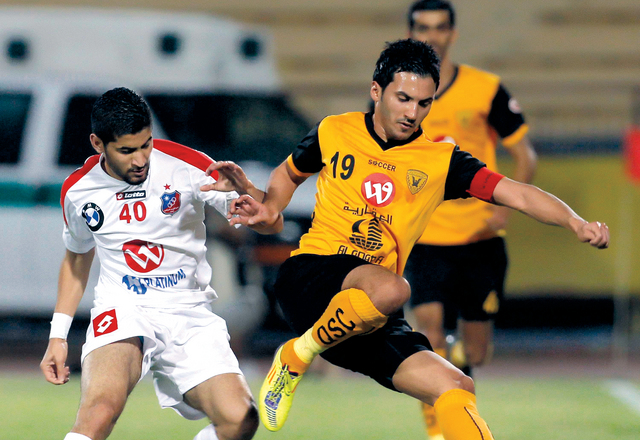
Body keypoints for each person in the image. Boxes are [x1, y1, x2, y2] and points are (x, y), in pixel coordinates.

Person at [225, 39, 609, 439]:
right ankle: (296, 355)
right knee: (393, 288)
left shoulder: (441, 161)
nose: (412, 113)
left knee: (456, 385)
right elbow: (289, 173)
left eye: (424, 103)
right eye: (404, 98)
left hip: (368, 314)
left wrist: (575, 222)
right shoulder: (335, 130)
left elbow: (518, 194)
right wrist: (271, 206)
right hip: (311, 279)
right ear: (377, 90)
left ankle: (306, 348)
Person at [39, 87, 275, 440]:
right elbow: (76, 258)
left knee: (240, 419)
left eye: (146, 145)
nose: (140, 160)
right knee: (100, 411)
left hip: (189, 313)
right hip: (124, 309)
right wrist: (58, 335)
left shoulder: (187, 165)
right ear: (98, 143)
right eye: (127, 150)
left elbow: (270, 222)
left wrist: (252, 197)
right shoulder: (78, 190)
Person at [403, 2, 538, 437]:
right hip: (424, 238)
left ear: (453, 33)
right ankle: (439, 431)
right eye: (423, 27)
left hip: (479, 239)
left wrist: (503, 210)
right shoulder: (396, 93)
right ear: (410, 33)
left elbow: (524, 156)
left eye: (440, 27)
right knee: (428, 333)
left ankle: (460, 367)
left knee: (476, 350)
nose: (432, 36)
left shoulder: (485, 89)